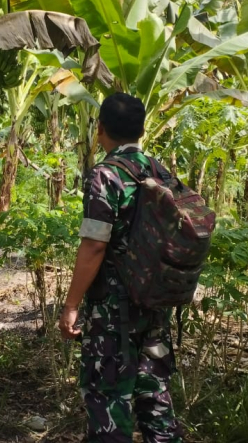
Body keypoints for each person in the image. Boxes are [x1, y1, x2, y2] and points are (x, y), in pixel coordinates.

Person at [58, 93, 184, 443]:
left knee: (108, 398)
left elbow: (96, 244)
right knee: (154, 392)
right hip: (154, 299)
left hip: (113, 308)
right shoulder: (161, 172)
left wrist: (71, 306)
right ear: (141, 129)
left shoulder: (105, 175)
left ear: (101, 129)